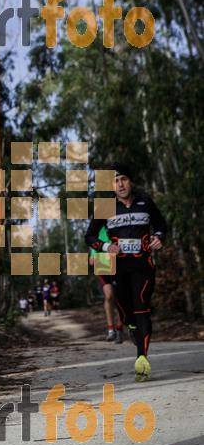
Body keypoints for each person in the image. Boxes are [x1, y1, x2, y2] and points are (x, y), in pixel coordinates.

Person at [85, 163, 167, 382]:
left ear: (130, 181)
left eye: (123, 179)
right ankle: (129, 325)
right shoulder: (105, 207)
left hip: (143, 265)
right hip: (118, 268)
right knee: (126, 311)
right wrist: (104, 247)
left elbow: (161, 224)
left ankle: (142, 357)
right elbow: (90, 235)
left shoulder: (145, 202)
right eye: (115, 181)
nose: (120, 184)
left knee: (142, 308)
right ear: (111, 186)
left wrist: (158, 237)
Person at [89, 225, 123, 343]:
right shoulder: (98, 222)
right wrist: (93, 255)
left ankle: (119, 329)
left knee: (120, 297)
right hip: (101, 261)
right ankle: (111, 329)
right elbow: (94, 239)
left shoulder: (117, 220)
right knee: (108, 295)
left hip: (118, 262)